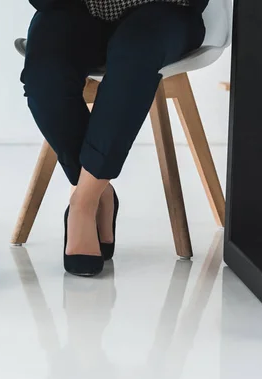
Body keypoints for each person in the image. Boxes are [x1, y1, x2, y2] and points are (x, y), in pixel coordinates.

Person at [21, 0, 208, 276]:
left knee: (135, 51)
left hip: (165, 11)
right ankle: (97, 187)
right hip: (77, 10)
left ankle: (83, 202)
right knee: (44, 76)